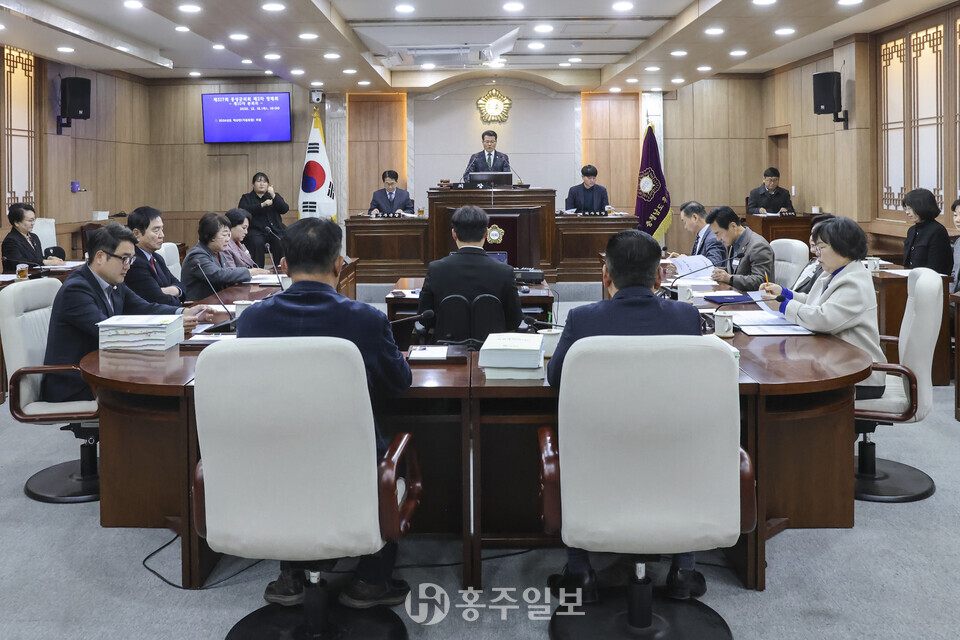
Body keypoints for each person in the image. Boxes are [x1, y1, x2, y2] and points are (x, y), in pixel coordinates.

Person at [237, 217, 413, 609]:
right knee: (386, 453)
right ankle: (370, 580)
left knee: (291, 458)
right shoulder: (365, 319)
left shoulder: (252, 320)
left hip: (272, 460)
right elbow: (398, 383)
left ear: (284, 265)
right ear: (339, 265)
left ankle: (291, 574)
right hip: (351, 463)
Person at [546, 229, 705, 603]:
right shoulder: (687, 317)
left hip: (598, 452)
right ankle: (683, 570)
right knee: (684, 452)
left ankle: (581, 573)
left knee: (572, 451)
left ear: (606, 275)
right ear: (659, 277)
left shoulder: (582, 319)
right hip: (671, 448)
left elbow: (556, 378)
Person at [40, 223, 207, 403]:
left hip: (105, 370)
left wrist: (182, 312)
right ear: (100, 257)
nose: (128, 266)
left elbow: (145, 308)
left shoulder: (115, 283)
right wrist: (168, 329)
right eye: (124, 259)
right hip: (75, 382)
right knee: (164, 399)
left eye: (131, 260)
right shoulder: (76, 290)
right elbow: (109, 333)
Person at [760, 217, 886, 399]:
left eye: (821, 247)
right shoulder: (834, 273)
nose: (816, 253)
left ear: (842, 247)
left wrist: (783, 305)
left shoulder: (855, 282)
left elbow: (822, 319)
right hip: (835, 363)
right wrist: (785, 293)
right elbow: (814, 302)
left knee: (782, 394)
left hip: (859, 376)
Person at [417, 205, 522, 331]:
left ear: (454, 234)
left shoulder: (436, 269)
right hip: (491, 342)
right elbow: (514, 321)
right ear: (486, 233)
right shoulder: (505, 271)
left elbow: (424, 318)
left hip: (447, 342)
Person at [181, 212, 269, 301]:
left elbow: (228, 275)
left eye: (228, 235)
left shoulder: (218, 252)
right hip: (199, 304)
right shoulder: (197, 255)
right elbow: (218, 275)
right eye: (224, 235)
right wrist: (248, 272)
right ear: (210, 235)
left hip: (218, 300)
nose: (227, 239)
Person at [124, 206, 184, 306]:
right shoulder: (134, 262)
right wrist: (174, 295)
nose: (162, 235)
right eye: (156, 231)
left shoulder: (157, 258)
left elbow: (181, 286)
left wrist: (170, 290)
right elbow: (158, 299)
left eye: (162, 229)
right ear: (136, 234)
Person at [706, 206, 775, 291]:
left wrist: (729, 278)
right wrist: (718, 272)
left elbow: (761, 282)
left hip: (753, 298)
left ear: (733, 226)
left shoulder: (758, 246)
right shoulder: (734, 242)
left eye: (718, 233)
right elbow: (736, 271)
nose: (718, 239)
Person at [238, 172, 289, 267]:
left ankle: (280, 269)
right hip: (255, 231)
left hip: (274, 231)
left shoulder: (273, 196)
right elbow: (243, 211)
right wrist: (262, 205)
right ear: (253, 184)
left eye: (265, 182)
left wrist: (273, 195)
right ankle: (258, 270)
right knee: (256, 242)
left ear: (268, 184)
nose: (262, 184)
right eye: (259, 181)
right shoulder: (246, 198)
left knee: (280, 240)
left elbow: (285, 209)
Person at [902, 188, 952, 275]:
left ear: (922, 207)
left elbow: (936, 266)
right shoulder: (912, 230)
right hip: (911, 277)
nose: (907, 212)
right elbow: (907, 262)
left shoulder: (937, 231)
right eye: (906, 208)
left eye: (910, 208)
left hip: (930, 279)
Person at [2, 203, 65, 271]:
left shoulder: (34, 237)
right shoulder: (10, 241)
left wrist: (49, 258)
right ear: (16, 223)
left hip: (37, 274)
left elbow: (36, 258)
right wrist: (46, 262)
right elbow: (19, 262)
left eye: (33, 220)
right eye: (30, 221)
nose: (33, 223)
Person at [792, 213, 837, 294]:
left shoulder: (828, 268)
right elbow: (795, 289)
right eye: (812, 233)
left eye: (817, 235)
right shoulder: (812, 262)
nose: (812, 238)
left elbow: (812, 298)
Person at [678, 200, 725, 266]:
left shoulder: (713, 237)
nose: (685, 227)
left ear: (695, 217)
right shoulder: (701, 235)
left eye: (684, 222)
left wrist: (687, 261)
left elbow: (713, 265)